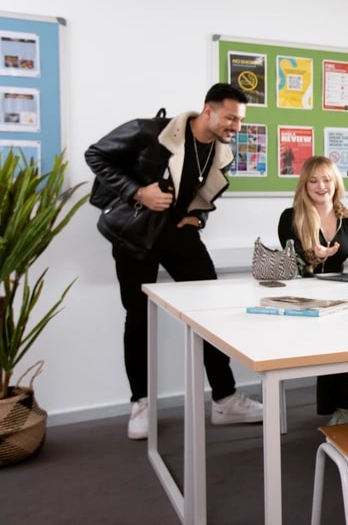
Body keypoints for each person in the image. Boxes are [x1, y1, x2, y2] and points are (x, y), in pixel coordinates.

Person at [85, 83, 264, 440]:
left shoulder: (219, 149)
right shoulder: (150, 131)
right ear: (208, 110)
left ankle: (225, 399)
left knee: (211, 312)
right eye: (231, 118)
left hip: (178, 235)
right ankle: (141, 403)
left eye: (240, 120)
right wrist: (137, 191)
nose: (236, 127)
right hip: (135, 234)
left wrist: (198, 218)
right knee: (138, 316)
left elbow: (201, 189)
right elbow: (95, 155)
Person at [277, 156, 348, 425]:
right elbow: (292, 259)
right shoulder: (290, 216)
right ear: (304, 185)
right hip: (305, 295)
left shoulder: (347, 218)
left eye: (326, 180)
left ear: (335, 183)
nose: (321, 186)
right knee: (333, 336)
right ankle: (342, 406)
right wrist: (312, 255)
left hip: (341, 293)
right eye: (313, 181)